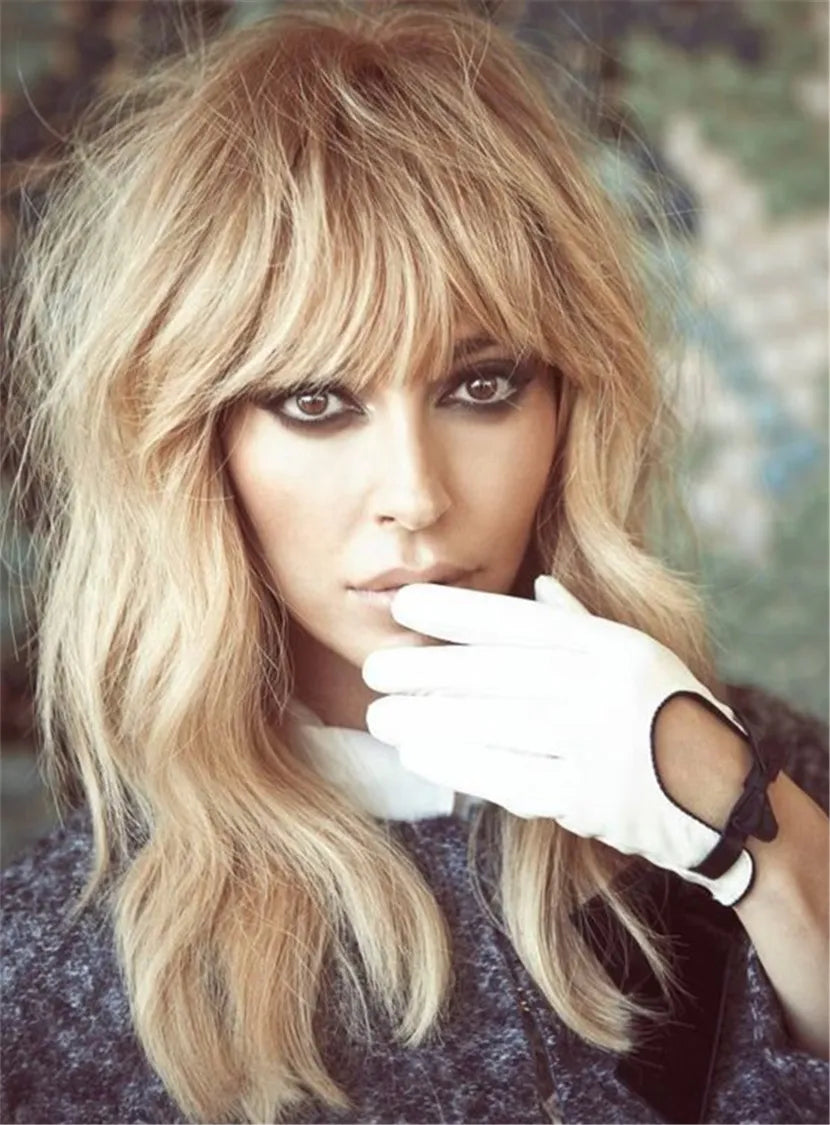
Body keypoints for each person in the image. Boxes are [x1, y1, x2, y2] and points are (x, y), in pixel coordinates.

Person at [2, 2, 828, 1123]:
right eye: (315, 401)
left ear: (567, 409)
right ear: (197, 444)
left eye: (481, 386)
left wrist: (760, 842)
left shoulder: (773, 772)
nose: (416, 494)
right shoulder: (42, 979)